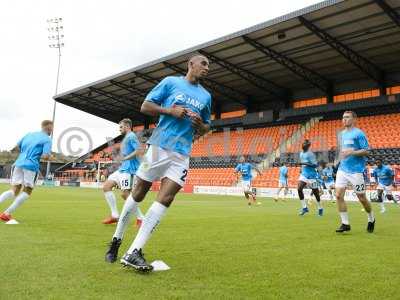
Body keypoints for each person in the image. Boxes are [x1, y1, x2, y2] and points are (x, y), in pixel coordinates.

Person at [104, 54, 212, 271]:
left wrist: (201, 125)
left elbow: (207, 127)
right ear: (190, 64)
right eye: (203, 64)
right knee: (139, 193)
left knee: (167, 197)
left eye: (208, 66)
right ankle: (116, 240)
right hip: (159, 146)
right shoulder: (171, 82)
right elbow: (146, 106)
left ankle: (134, 251)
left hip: (181, 154)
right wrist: (169, 111)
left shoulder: (206, 96)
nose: (207, 68)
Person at [0, 120, 53, 221]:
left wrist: (25, 152)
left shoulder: (29, 134)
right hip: (31, 165)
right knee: (27, 191)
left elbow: (15, 148)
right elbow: (45, 156)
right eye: (52, 128)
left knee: (14, 191)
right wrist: (51, 157)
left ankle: (6, 213)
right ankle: (6, 213)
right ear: (49, 127)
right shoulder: (47, 139)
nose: (52, 130)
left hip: (18, 164)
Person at [335, 111, 375, 233]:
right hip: (342, 169)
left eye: (347, 117)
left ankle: (371, 218)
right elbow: (342, 150)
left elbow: (367, 151)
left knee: (362, 198)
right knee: (338, 195)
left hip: (356, 171)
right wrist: (337, 159)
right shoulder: (341, 134)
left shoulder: (359, 133)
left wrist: (352, 152)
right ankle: (345, 223)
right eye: (343, 118)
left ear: (354, 119)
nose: (344, 119)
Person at [102, 118, 145, 225]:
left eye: (121, 127)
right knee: (106, 186)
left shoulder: (131, 136)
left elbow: (139, 150)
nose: (119, 129)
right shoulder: (126, 138)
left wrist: (126, 158)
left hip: (129, 171)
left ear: (127, 126)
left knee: (125, 194)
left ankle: (141, 218)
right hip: (122, 169)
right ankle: (115, 215)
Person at [297, 140, 323, 216]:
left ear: (308, 146)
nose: (303, 145)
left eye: (305, 144)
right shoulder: (301, 153)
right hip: (304, 174)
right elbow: (303, 163)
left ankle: (320, 208)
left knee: (316, 193)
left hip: (312, 175)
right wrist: (301, 168)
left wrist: (305, 163)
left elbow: (315, 165)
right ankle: (304, 208)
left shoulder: (310, 154)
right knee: (299, 188)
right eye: (303, 143)